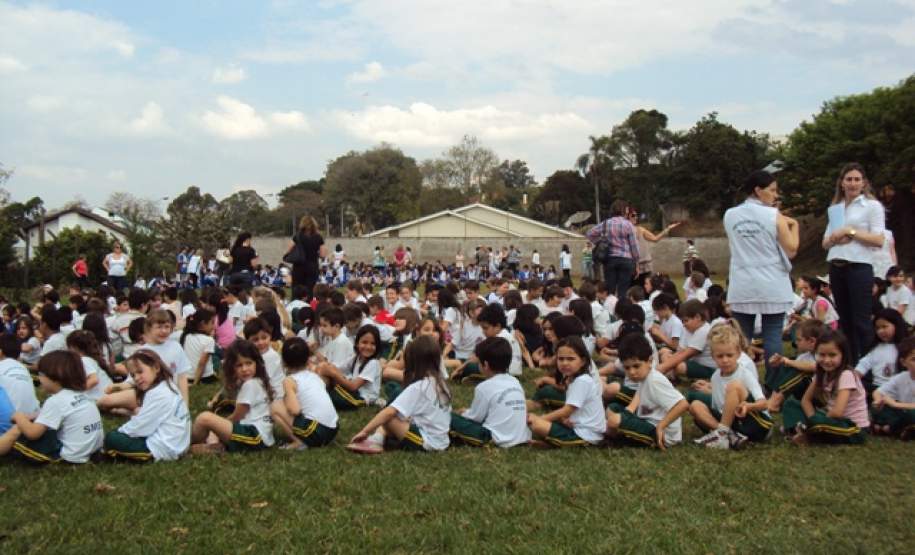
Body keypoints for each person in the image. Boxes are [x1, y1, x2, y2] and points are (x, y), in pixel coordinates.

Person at [723, 170, 798, 393]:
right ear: (758, 190)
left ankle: (742, 383)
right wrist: (794, 227)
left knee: (742, 336)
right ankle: (773, 385)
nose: (775, 195)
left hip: (743, 282)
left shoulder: (730, 214)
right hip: (771, 282)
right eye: (772, 190)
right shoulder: (773, 216)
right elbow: (791, 249)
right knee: (773, 334)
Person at [822, 163, 885, 364]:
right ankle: (850, 364)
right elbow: (825, 242)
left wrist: (851, 232)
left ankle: (868, 368)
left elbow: (878, 239)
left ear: (864, 183)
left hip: (859, 266)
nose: (853, 183)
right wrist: (834, 238)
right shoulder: (835, 208)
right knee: (845, 321)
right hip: (836, 265)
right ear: (842, 183)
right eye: (849, 179)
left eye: (857, 179)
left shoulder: (871, 206)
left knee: (861, 322)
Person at [347, 335, 452, 453]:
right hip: (442, 439)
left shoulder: (419, 387)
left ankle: (376, 440)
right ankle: (378, 438)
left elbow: (389, 412)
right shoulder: (441, 383)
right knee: (398, 415)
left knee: (389, 417)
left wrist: (364, 431)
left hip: (429, 443)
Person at [0, 351, 103, 464]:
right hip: (91, 450)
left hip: (68, 457)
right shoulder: (82, 395)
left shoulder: (55, 401)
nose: (39, 379)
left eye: (41, 375)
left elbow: (32, 434)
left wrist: (18, 417)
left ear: (55, 377)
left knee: (20, 439)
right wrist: (30, 417)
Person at [688, 323, 773, 449]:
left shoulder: (744, 373)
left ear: (738, 354)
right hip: (734, 423)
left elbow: (764, 404)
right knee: (695, 405)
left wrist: (749, 406)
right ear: (713, 357)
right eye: (720, 356)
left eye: (729, 355)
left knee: (734, 386)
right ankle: (732, 437)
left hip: (758, 424)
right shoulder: (716, 377)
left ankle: (722, 434)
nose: (725, 360)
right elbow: (719, 406)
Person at [782, 329, 869, 445]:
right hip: (829, 418)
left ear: (843, 355)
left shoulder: (846, 375)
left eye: (832, 355)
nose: (827, 360)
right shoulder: (821, 374)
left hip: (852, 427)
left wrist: (815, 421)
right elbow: (805, 401)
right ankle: (805, 430)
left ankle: (805, 432)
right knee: (791, 404)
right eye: (822, 355)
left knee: (821, 421)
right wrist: (813, 419)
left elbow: (838, 412)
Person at [103, 350, 191, 462]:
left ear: (156, 368)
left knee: (111, 439)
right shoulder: (167, 384)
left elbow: (138, 428)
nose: (137, 378)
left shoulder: (159, 394)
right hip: (178, 443)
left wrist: (119, 432)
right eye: (133, 375)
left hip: (163, 449)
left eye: (140, 372)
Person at [190, 340, 275, 454]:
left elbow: (237, 416)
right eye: (239, 365)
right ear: (232, 368)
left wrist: (219, 425)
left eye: (248, 363)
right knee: (213, 429)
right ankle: (213, 446)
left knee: (204, 418)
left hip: (254, 436)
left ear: (257, 363)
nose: (244, 369)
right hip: (260, 436)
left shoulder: (251, 384)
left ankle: (186, 445)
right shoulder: (257, 381)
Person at [606, 334, 688, 449]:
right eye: (627, 368)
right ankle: (617, 437)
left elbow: (683, 404)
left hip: (660, 432)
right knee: (613, 408)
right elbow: (638, 395)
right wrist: (628, 412)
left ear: (649, 361)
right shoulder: (644, 376)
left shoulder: (655, 380)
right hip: (646, 419)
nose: (632, 372)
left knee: (614, 420)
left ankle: (612, 440)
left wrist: (661, 426)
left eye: (636, 366)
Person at [449, 337, 530, 448]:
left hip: (495, 438)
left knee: (449, 417)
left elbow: (475, 418)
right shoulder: (515, 382)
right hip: (521, 438)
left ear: (485, 365)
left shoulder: (484, 387)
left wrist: (463, 412)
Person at [527, 336, 606, 447]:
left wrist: (542, 418)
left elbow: (566, 410)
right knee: (534, 419)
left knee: (536, 423)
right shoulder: (572, 379)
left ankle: (552, 443)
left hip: (587, 436)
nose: (564, 363)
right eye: (561, 359)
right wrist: (563, 420)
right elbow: (571, 412)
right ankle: (550, 442)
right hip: (576, 427)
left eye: (570, 359)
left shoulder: (582, 381)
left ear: (583, 361)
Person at [271, 337, 339, 450]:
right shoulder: (314, 376)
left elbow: (295, 409)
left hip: (317, 431)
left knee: (275, 407)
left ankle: (299, 442)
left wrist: (286, 403)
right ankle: (305, 438)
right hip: (333, 429)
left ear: (283, 363)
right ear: (308, 360)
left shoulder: (289, 380)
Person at [317, 324, 383, 410]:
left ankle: (319, 394)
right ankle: (318, 391)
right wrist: (325, 367)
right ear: (357, 343)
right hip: (352, 392)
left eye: (373, 344)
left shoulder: (373, 363)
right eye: (364, 342)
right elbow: (337, 367)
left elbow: (353, 386)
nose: (368, 347)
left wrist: (333, 374)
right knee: (326, 369)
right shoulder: (356, 358)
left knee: (328, 398)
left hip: (361, 398)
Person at [586, 199, 640, 300]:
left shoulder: (606, 223)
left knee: (610, 290)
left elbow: (589, 234)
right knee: (623, 291)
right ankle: (622, 309)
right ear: (624, 210)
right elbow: (634, 246)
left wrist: (600, 240)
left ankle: (610, 311)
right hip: (626, 260)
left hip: (610, 259)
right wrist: (636, 262)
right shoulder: (629, 225)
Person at [854, 308, 907, 396]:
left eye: (884, 327)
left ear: (896, 325)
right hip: (877, 390)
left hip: (899, 391)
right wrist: (852, 378)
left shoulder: (905, 347)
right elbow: (864, 364)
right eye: (877, 328)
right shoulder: (876, 348)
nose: (880, 331)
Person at [871, 336, 915, 438]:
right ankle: (890, 427)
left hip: (909, 412)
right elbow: (877, 392)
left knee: (912, 415)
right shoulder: (901, 377)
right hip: (903, 412)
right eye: (914, 359)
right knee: (877, 408)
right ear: (903, 362)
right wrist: (878, 401)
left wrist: (895, 404)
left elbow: (897, 405)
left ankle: (888, 428)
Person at [629, 211, 681, 277]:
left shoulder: (641, 230)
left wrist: (668, 228)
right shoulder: (624, 231)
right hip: (632, 265)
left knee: (646, 286)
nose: (636, 217)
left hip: (645, 265)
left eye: (636, 215)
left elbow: (655, 239)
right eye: (633, 215)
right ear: (627, 217)